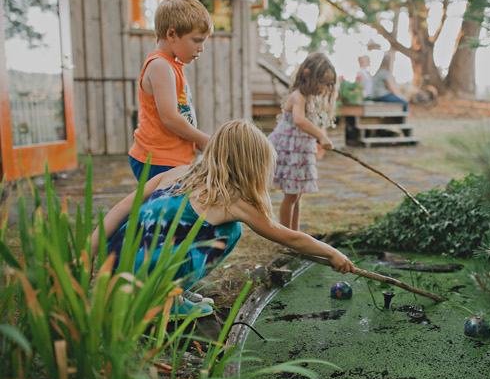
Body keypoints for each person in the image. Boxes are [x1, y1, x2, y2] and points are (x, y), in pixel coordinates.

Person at [102, 119, 355, 319]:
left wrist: (87, 254)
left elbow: (121, 208)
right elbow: (289, 236)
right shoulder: (232, 201)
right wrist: (331, 253)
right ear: (250, 166)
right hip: (145, 279)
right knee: (231, 231)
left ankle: (171, 289)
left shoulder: (178, 172)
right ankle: (164, 301)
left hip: (116, 266)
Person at [129, 0, 213, 183]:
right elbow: (170, 117)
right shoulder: (160, 65)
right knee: (164, 211)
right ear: (172, 34)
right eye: (197, 40)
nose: (201, 48)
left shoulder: (171, 65)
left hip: (171, 156)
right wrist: (202, 138)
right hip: (158, 158)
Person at [269, 53, 340, 233]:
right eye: (322, 82)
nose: (324, 88)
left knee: (296, 195)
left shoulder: (307, 98)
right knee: (291, 196)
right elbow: (299, 120)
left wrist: (319, 135)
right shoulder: (298, 96)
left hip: (298, 152)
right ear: (308, 75)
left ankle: (296, 233)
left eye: (328, 84)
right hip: (288, 151)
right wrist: (321, 136)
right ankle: (286, 236)